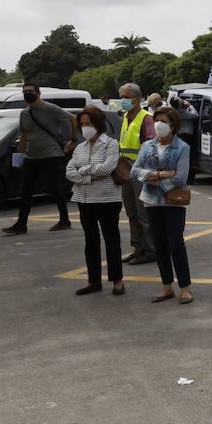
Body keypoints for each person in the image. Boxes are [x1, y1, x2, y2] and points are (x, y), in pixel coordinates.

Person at [131, 106, 193, 304]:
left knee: (176, 243)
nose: (158, 125)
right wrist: (159, 175)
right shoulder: (147, 146)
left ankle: (185, 288)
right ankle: (166, 286)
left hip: (173, 201)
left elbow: (181, 177)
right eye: (157, 120)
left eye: (163, 121)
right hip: (151, 201)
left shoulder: (182, 147)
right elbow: (135, 171)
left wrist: (159, 182)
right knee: (159, 245)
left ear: (173, 125)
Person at [65, 107, 125, 296]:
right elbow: (69, 172)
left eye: (88, 124)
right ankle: (94, 281)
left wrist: (83, 170)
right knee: (90, 241)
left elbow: (106, 169)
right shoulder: (80, 147)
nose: (85, 128)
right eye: (82, 124)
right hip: (84, 199)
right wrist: (89, 175)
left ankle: (117, 280)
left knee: (111, 240)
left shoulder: (110, 144)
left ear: (98, 124)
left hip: (107, 199)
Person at [3, 82, 74, 235]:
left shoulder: (50, 109)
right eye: (25, 91)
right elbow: (24, 134)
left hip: (51, 155)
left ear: (38, 93)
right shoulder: (24, 113)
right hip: (31, 156)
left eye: (30, 91)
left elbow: (72, 119)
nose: (27, 93)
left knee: (55, 188)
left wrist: (73, 140)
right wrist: (20, 155)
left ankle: (64, 220)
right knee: (25, 191)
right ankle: (21, 224)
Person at [118, 83, 156, 264]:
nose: (122, 101)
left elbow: (151, 146)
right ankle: (138, 247)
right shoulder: (126, 116)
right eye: (121, 97)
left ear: (136, 99)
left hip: (140, 170)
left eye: (125, 97)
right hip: (126, 168)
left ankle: (150, 250)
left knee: (143, 213)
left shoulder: (146, 118)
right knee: (131, 211)